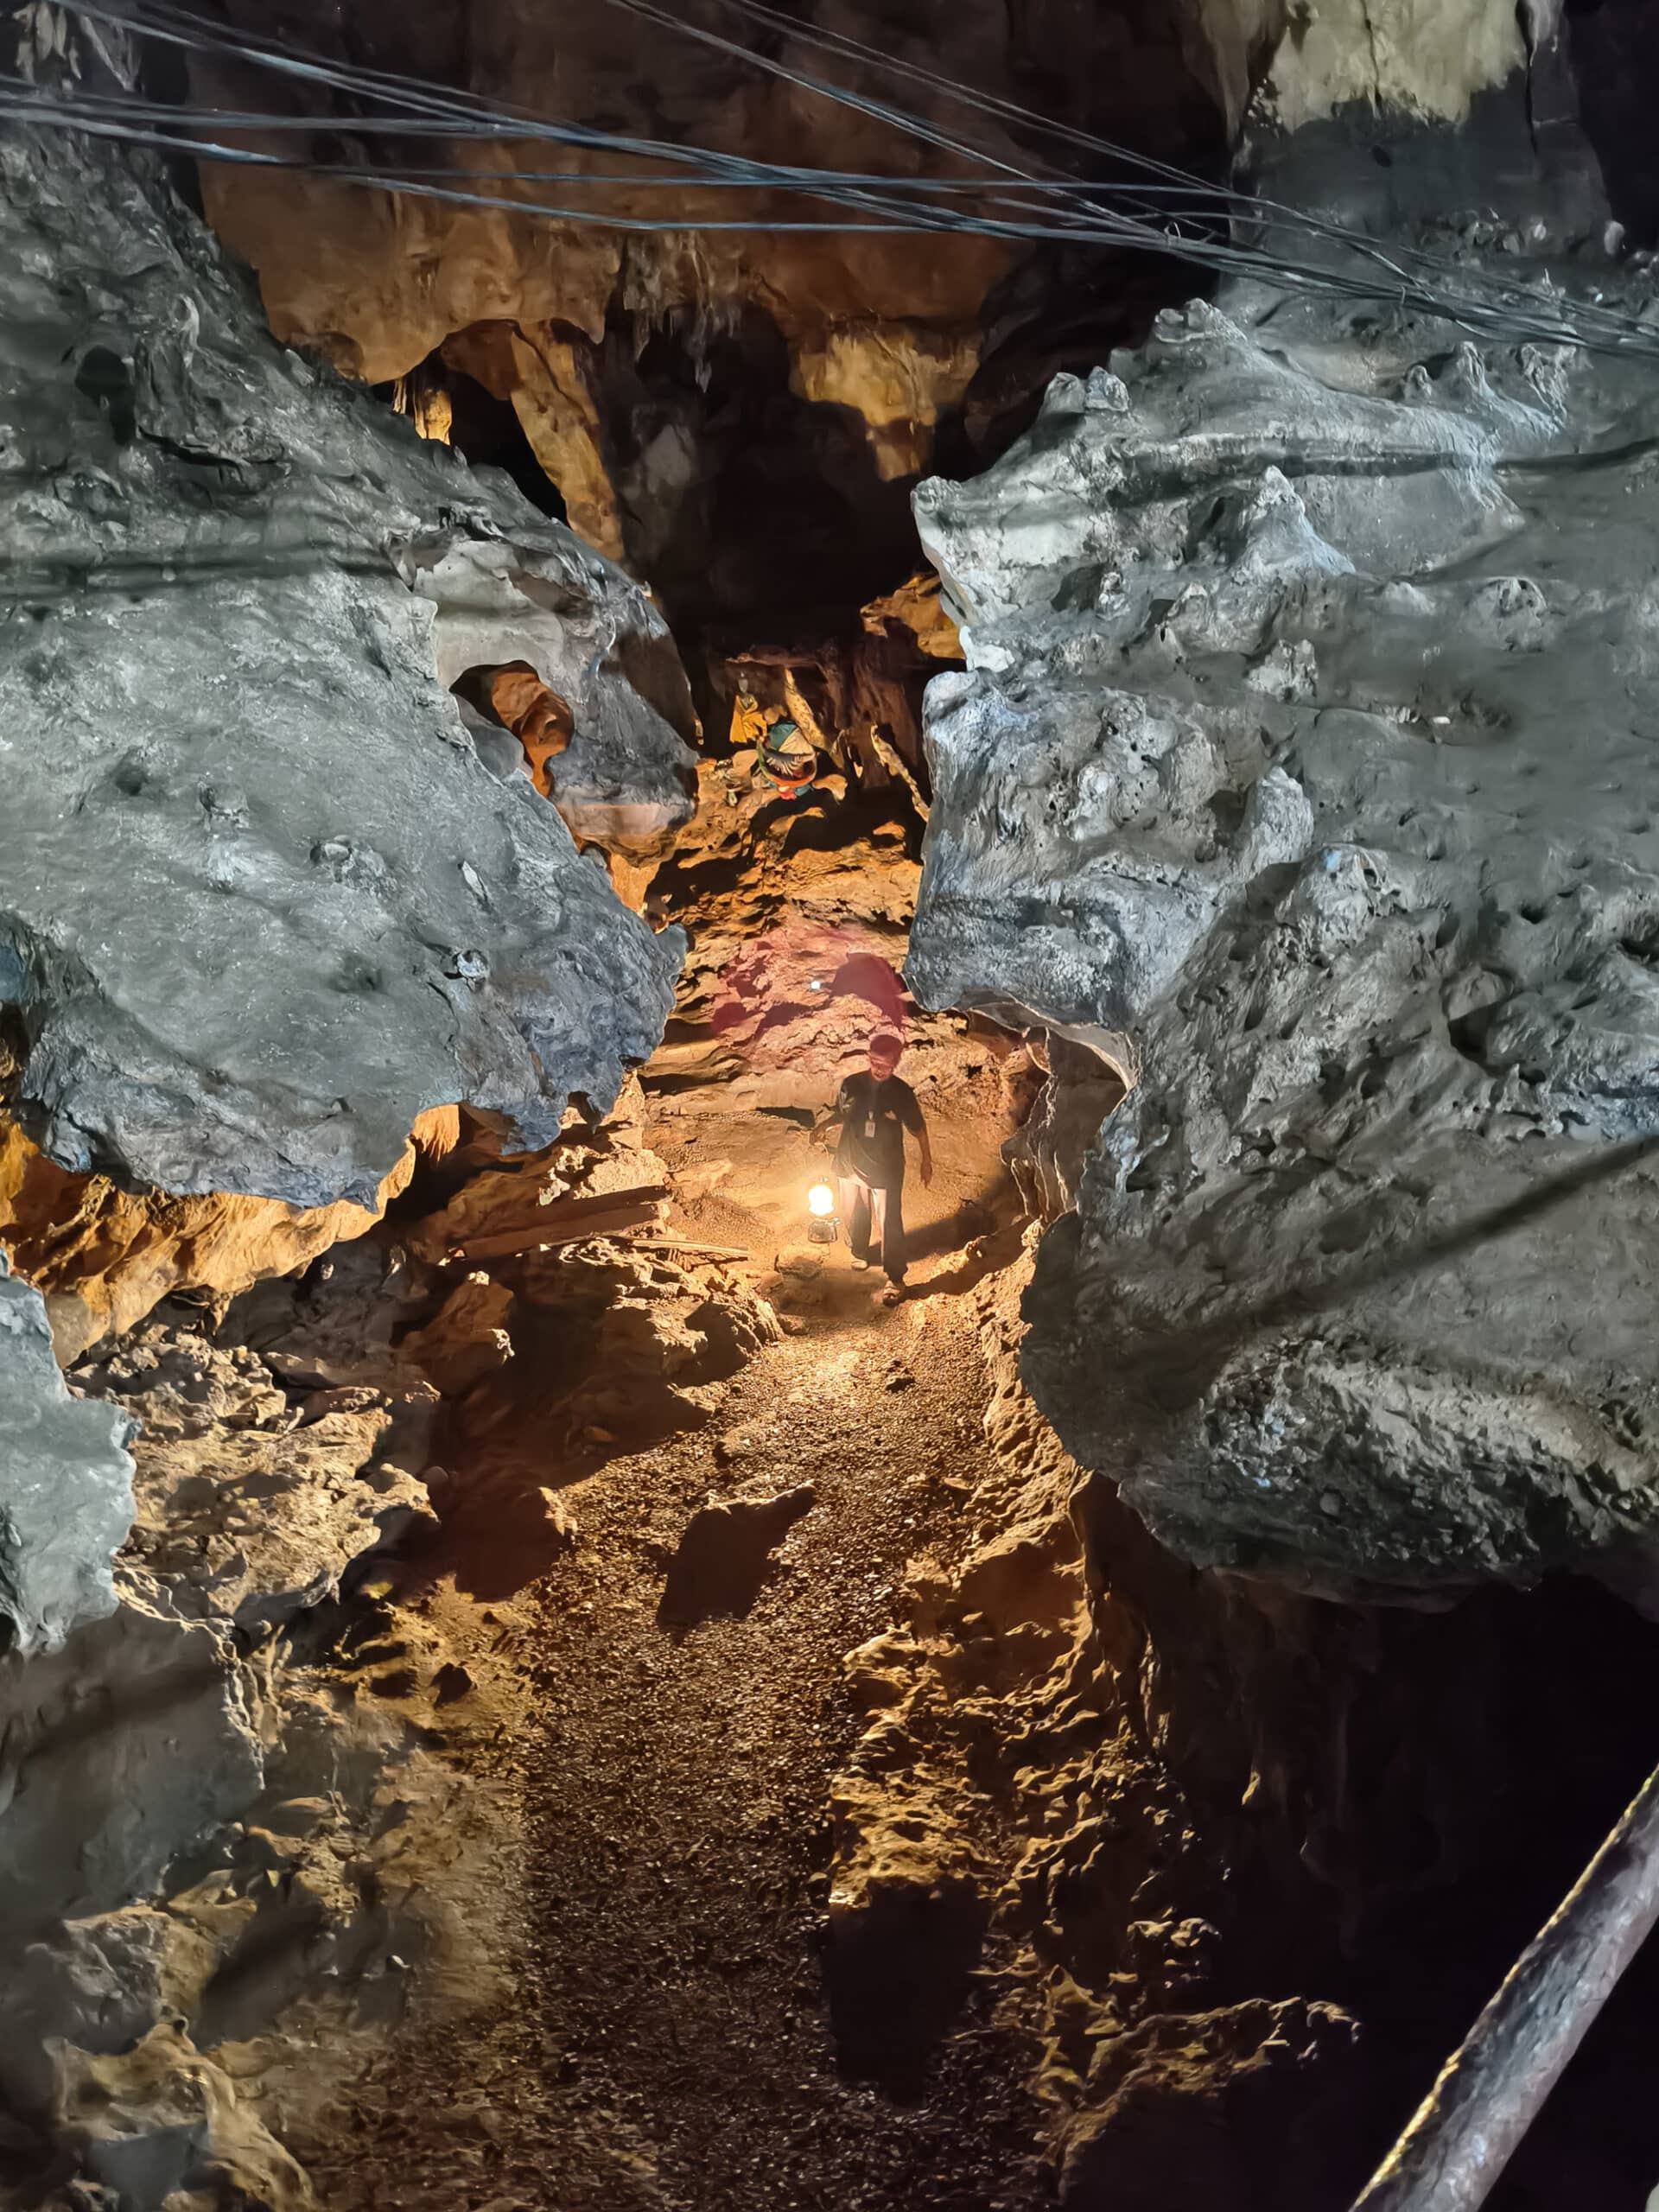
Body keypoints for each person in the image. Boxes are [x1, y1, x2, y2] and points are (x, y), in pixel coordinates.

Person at [812, 1033, 932, 1303]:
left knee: (888, 1221)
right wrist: (824, 1126)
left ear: (896, 1063)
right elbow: (842, 1113)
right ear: (869, 1058)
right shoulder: (851, 1084)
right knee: (853, 1209)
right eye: (875, 1062)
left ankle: (895, 1277)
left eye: (886, 1065)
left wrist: (927, 1160)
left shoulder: (901, 1093)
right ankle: (859, 1251)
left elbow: (918, 1128)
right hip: (849, 1157)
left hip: (884, 1165)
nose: (880, 1069)